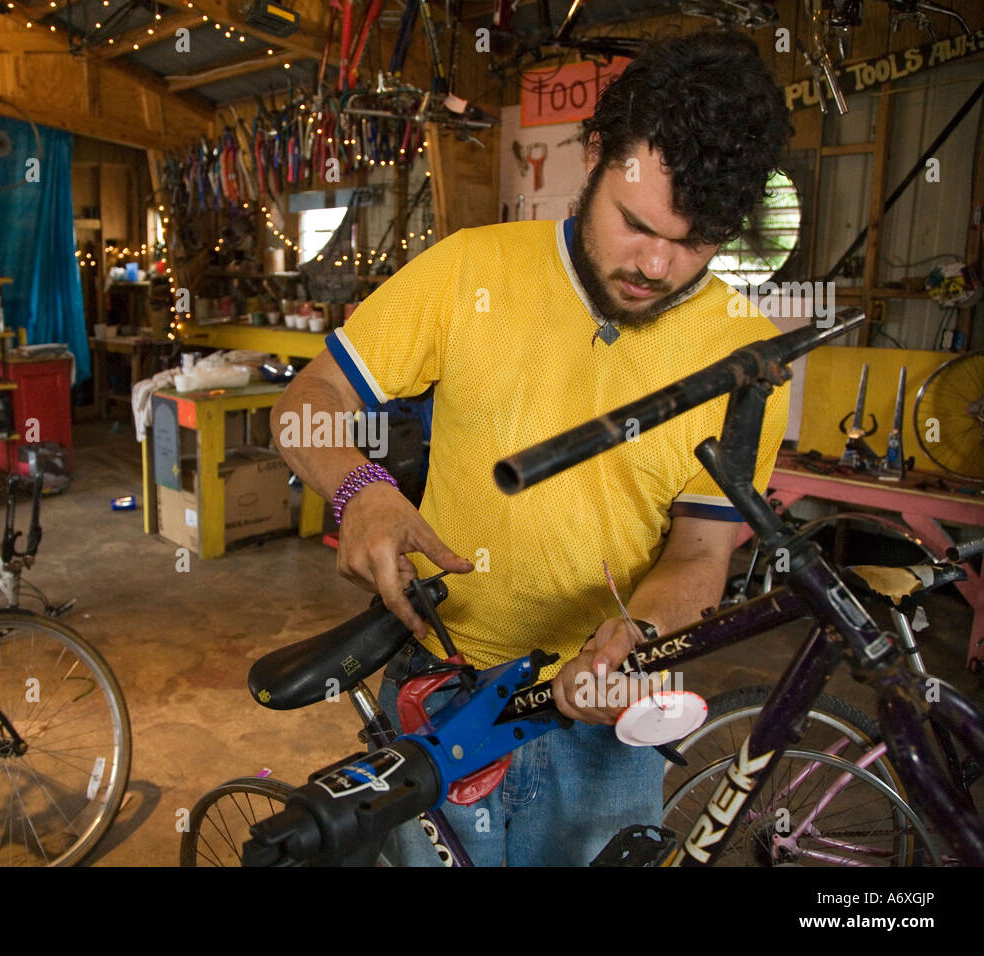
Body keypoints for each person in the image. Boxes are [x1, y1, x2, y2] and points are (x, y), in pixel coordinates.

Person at [271, 30, 794, 866]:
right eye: (636, 224)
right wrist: (356, 489)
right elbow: (307, 402)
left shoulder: (746, 356)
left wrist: (639, 635)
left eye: (696, 243)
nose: (657, 266)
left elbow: (702, 551)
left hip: (605, 723)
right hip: (439, 694)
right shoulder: (466, 270)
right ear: (594, 154)